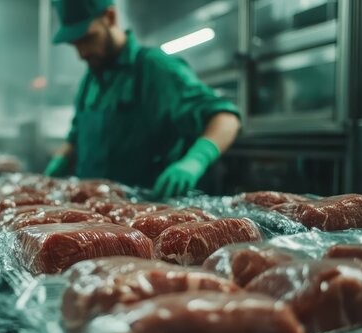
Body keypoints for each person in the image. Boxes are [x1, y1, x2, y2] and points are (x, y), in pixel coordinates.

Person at [44, 0, 241, 198]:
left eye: (88, 38)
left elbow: (225, 117)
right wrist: (63, 156)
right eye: (75, 44)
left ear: (110, 17)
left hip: (144, 215)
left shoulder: (155, 68)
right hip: (91, 211)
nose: (82, 53)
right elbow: (77, 134)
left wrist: (196, 159)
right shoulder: (91, 79)